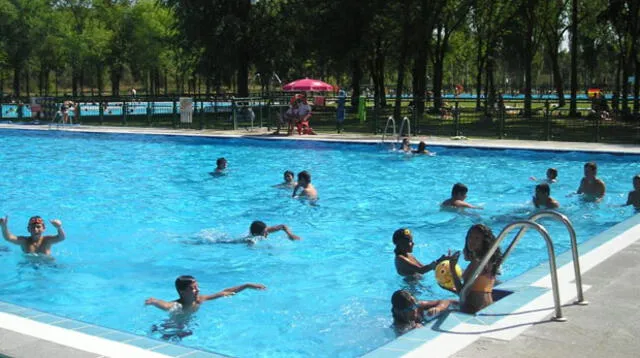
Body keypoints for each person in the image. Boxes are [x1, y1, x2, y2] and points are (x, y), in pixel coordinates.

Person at [448, 224, 502, 314]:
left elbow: (462, 293)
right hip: (488, 308)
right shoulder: (488, 261)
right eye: (470, 237)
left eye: (477, 238)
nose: (471, 241)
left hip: (474, 310)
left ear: (483, 242)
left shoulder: (476, 263)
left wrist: (452, 268)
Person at [145, 275, 266, 314]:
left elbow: (225, 292)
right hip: (173, 327)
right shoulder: (178, 305)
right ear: (182, 291)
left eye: (197, 287)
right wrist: (154, 301)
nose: (197, 290)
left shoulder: (199, 300)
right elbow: (165, 305)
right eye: (193, 288)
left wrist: (247, 285)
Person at [0, 216, 66, 255]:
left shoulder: (47, 240)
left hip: (47, 264)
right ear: (28, 229)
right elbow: (8, 238)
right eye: (32, 227)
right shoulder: (24, 241)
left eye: (38, 227)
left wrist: (59, 227)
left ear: (44, 228)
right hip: (29, 265)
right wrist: (4, 226)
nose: (35, 229)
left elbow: (62, 237)